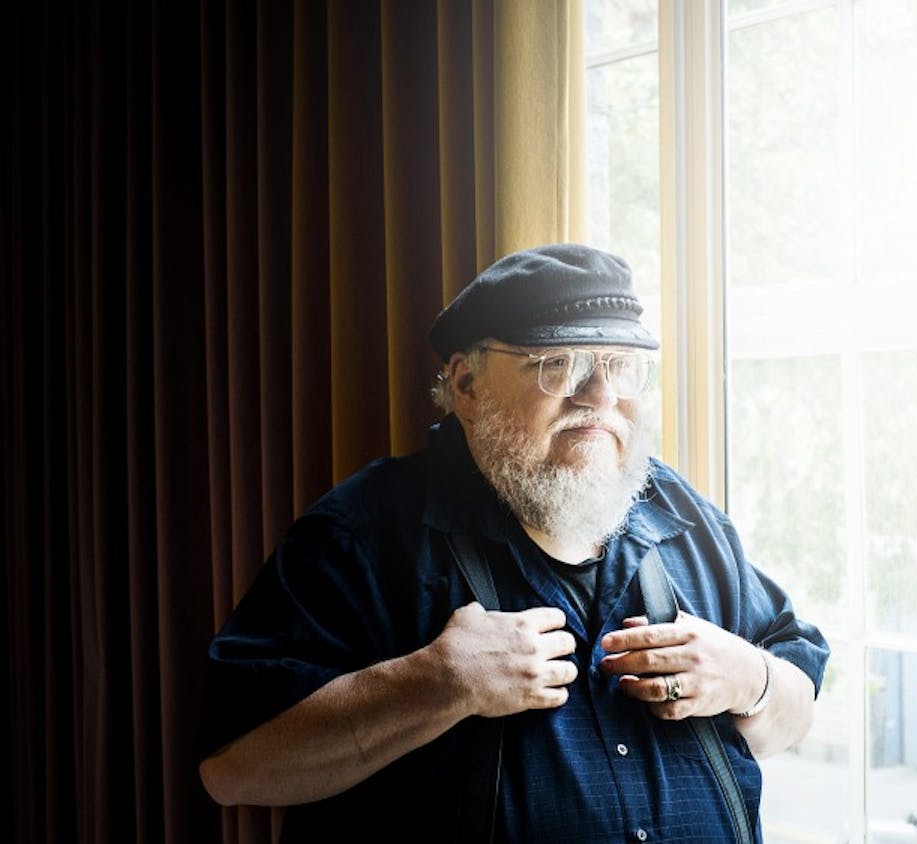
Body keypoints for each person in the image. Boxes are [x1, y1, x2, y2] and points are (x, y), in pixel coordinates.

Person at [198, 243, 829, 842]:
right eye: (561, 365)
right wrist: (436, 683)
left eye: (621, 366)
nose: (601, 395)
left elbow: (793, 712)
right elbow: (233, 770)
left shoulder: (689, 519)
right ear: (466, 386)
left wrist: (753, 679)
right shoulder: (362, 535)